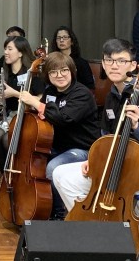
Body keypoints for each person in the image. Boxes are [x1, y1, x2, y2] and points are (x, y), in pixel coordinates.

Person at [51, 38, 139, 212]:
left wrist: (137, 127)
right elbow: (106, 136)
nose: (114, 66)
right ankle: (93, 220)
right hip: (111, 164)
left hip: (138, 174)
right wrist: (94, 159)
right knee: (59, 173)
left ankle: (94, 223)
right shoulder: (112, 95)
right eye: (109, 60)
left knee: (69, 181)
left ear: (133, 66)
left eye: (121, 61)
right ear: (104, 65)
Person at [17, 51, 100, 219]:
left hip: (81, 150)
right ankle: (40, 207)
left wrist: (35, 102)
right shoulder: (50, 92)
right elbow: (45, 117)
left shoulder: (81, 94)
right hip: (56, 146)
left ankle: (59, 214)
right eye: (53, 72)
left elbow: (64, 119)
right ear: (48, 75)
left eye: (64, 70)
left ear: (71, 71)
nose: (59, 75)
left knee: (53, 168)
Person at [0, 36, 45, 180]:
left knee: (5, 140)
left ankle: (16, 177)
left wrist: (14, 93)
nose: (6, 52)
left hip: (28, 116)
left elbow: (39, 99)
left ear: (20, 53)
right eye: (5, 49)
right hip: (10, 116)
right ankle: (5, 176)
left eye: (10, 49)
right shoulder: (4, 72)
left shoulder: (31, 72)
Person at [49, 26, 95, 91]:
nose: (61, 40)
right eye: (58, 38)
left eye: (65, 37)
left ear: (72, 41)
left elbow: (90, 86)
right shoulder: (52, 62)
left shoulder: (81, 63)